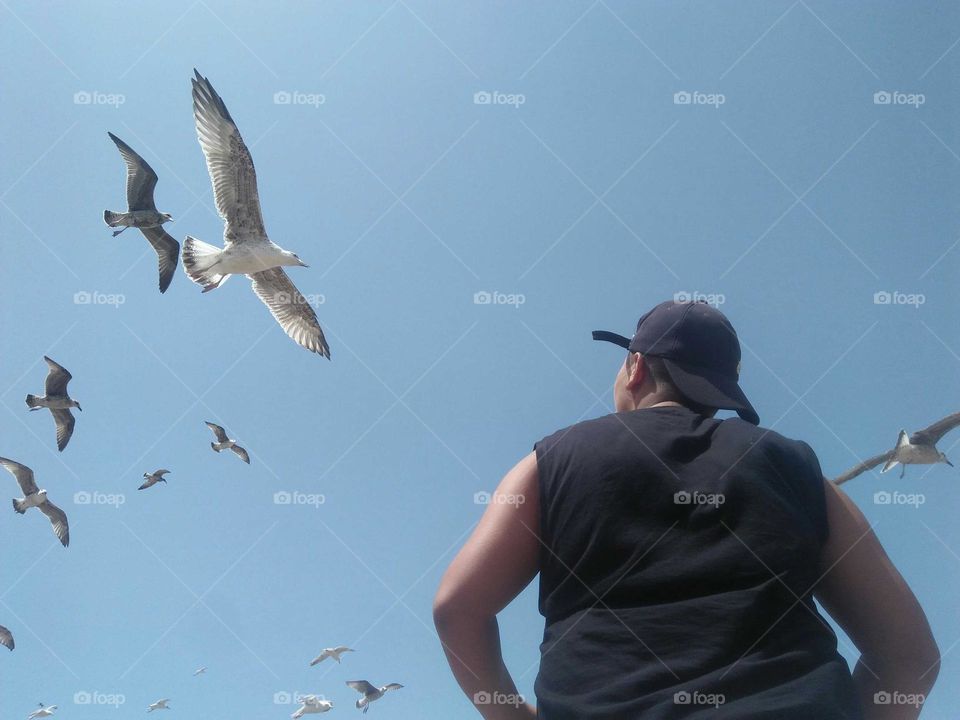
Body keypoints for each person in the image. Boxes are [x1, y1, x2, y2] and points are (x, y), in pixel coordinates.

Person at [433, 300, 940, 719]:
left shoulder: (550, 461)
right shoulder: (796, 467)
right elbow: (910, 655)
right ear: (720, 392)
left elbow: (457, 609)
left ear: (634, 368)